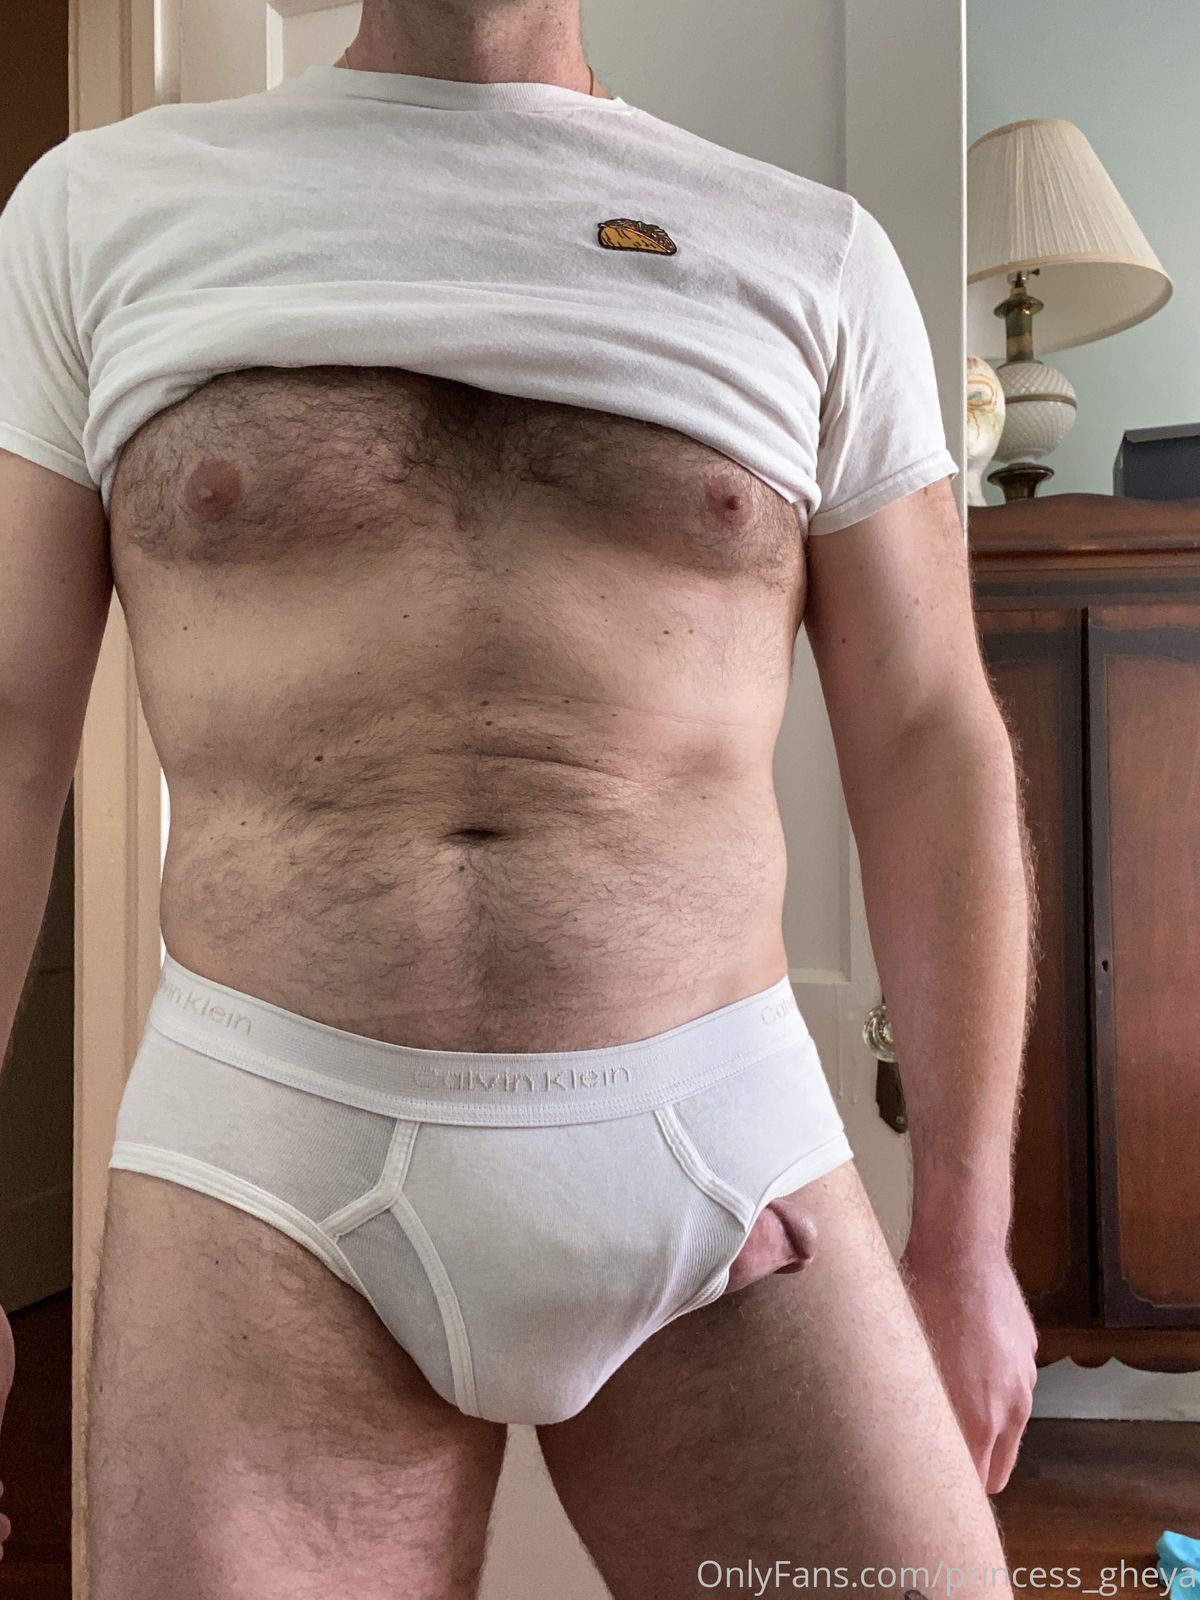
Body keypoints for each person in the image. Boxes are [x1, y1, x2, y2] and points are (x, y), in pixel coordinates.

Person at [0, 0, 1039, 1593]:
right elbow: (11, 725)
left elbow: (927, 732)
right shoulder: (96, 212)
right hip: (267, 1164)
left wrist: (968, 1240)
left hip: (716, 1154)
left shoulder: (815, 255)